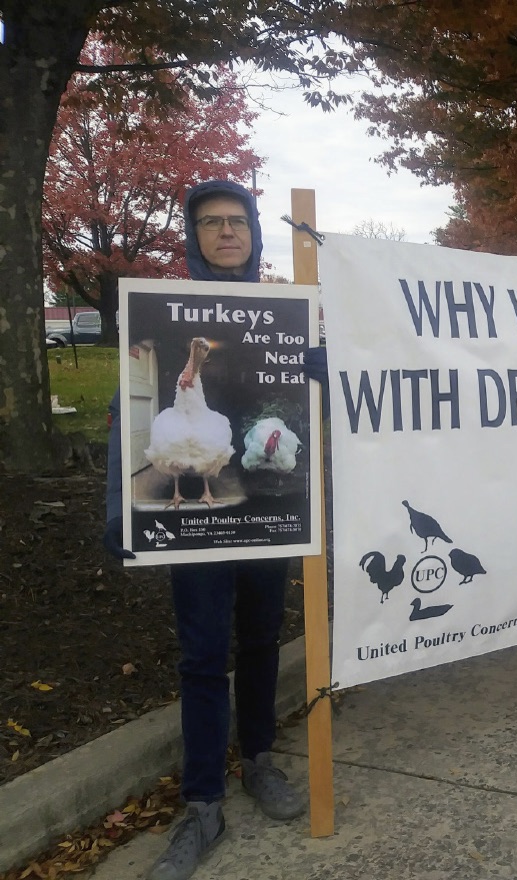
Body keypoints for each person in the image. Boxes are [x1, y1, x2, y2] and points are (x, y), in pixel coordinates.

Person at [103, 180, 305, 880]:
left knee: (258, 640)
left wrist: (317, 367)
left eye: (237, 221)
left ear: (253, 232)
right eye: (211, 223)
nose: (226, 232)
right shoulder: (161, 305)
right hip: (197, 535)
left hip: (264, 516)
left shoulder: (287, 312)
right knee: (200, 654)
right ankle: (201, 802)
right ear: (194, 236)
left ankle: (257, 759)